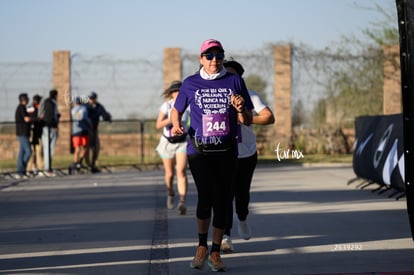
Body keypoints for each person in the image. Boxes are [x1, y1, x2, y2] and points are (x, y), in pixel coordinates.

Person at [170, 39, 253, 272]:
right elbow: (177, 110)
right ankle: (201, 247)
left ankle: (215, 252)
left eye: (218, 55)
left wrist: (240, 109)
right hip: (199, 150)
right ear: (201, 59)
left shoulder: (234, 80)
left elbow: (246, 119)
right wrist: (176, 125)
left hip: (227, 150)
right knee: (206, 196)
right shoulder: (190, 83)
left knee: (223, 201)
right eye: (209, 55)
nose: (214, 59)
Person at [221, 59, 276, 252]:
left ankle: (242, 218)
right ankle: (225, 236)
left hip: (246, 153)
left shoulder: (250, 96)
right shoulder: (214, 97)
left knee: (241, 193)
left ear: (239, 79)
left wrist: (245, 117)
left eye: (232, 75)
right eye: (224, 74)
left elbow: (269, 117)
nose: (227, 78)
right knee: (224, 196)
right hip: (222, 153)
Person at [155, 80, 190, 215]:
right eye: (175, 91)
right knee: (169, 174)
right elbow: (158, 125)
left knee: (181, 171)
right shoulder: (167, 106)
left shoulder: (189, 106)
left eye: (180, 91)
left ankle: (182, 202)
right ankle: (170, 192)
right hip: (167, 142)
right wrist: (172, 118)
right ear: (171, 93)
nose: (177, 93)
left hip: (182, 142)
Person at [86, 91, 112, 173]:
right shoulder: (85, 106)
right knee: (86, 148)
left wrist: (108, 117)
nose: (91, 100)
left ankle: (93, 164)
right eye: (90, 98)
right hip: (86, 130)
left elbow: (104, 114)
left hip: (94, 129)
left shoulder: (98, 106)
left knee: (96, 148)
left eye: (93, 98)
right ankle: (87, 164)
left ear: (95, 99)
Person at [38, 89, 60, 177]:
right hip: (50, 127)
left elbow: (41, 115)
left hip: (45, 127)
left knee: (47, 149)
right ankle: (48, 168)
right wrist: (55, 124)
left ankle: (47, 167)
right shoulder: (52, 103)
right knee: (49, 149)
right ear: (55, 95)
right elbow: (51, 115)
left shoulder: (45, 102)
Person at [70, 96, 91, 174]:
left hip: (76, 131)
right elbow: (85, 118)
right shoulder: (84, 109)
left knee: (77, 148)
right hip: (84, 130)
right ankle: (80, 162)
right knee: (84, 147)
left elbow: (77, 118)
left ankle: (76, 163)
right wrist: (89, 125)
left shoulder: (73, 110)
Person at [15, 93, 33, 178]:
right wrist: (35, 118)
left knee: (22, 152)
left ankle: (20, 171)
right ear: (23, 100)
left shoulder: (23, 108)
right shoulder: (21, 108)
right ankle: (22, 169)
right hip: (22, 133)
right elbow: (26, 119)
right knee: (28, 151)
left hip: (24, 133)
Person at [27, 94, 43, 176]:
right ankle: (30, 169)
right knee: (32, 152)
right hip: (32, 132)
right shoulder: (31, 108)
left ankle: (40, 169)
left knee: (39, 151)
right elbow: (29, 119)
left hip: (38, 132)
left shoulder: (40, 108)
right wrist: (38, 119)